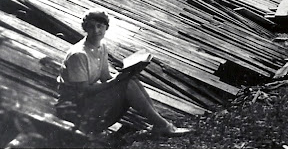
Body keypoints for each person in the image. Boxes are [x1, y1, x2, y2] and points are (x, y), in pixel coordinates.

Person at [56, 9, 190, 137]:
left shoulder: (101, 46)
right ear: (85, 29)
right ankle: (162, 125)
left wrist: (126, 74)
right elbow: (83, 90)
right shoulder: (78, 54)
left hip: (86, 104)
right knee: (126, 85)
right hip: (73, 110)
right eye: (91, 27)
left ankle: (159, 123)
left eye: (99, 26)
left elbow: (105, 77)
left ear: (106, 27)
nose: (96, 31)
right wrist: (117, 81)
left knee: (130, 80)